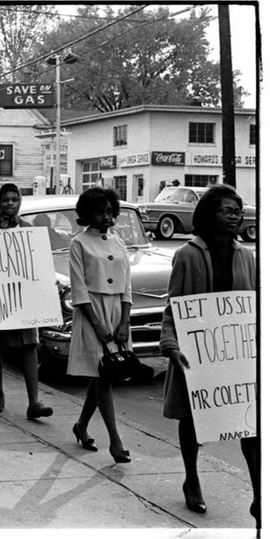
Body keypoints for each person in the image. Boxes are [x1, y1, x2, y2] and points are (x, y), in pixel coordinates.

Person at [160, 184, 257, 517]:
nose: (235, 217)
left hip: (238, 355)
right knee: (192, 420)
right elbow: (174, 304)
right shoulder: (187, 255)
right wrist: (170, 344)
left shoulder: (247, 255)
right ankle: (192, 479)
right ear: (209, 214)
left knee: (251, 423)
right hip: (197, 354)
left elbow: (254, 305)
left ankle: (260, 494)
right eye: (227, 211)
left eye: (238, 212)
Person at [0, 183, 53, 419]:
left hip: (23, 296)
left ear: (19, 202)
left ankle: (34, 402)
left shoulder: (28, 230)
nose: (10, 203)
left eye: (14, 199)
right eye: (5, 199)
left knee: (29, 345)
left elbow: (37, 264)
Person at [66, 187, 132, 464]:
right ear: (86, 214)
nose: (106, 217)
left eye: (109, 212)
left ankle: (81, 426)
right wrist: (97, 325)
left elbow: (127, 285)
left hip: (116, 313)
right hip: (92, 313)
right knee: (103, 376)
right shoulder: (79, 244)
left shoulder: (119, 243)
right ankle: (115, 442)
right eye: (99, 212)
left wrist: (125, 321)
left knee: (102, 374)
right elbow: (79, 290)